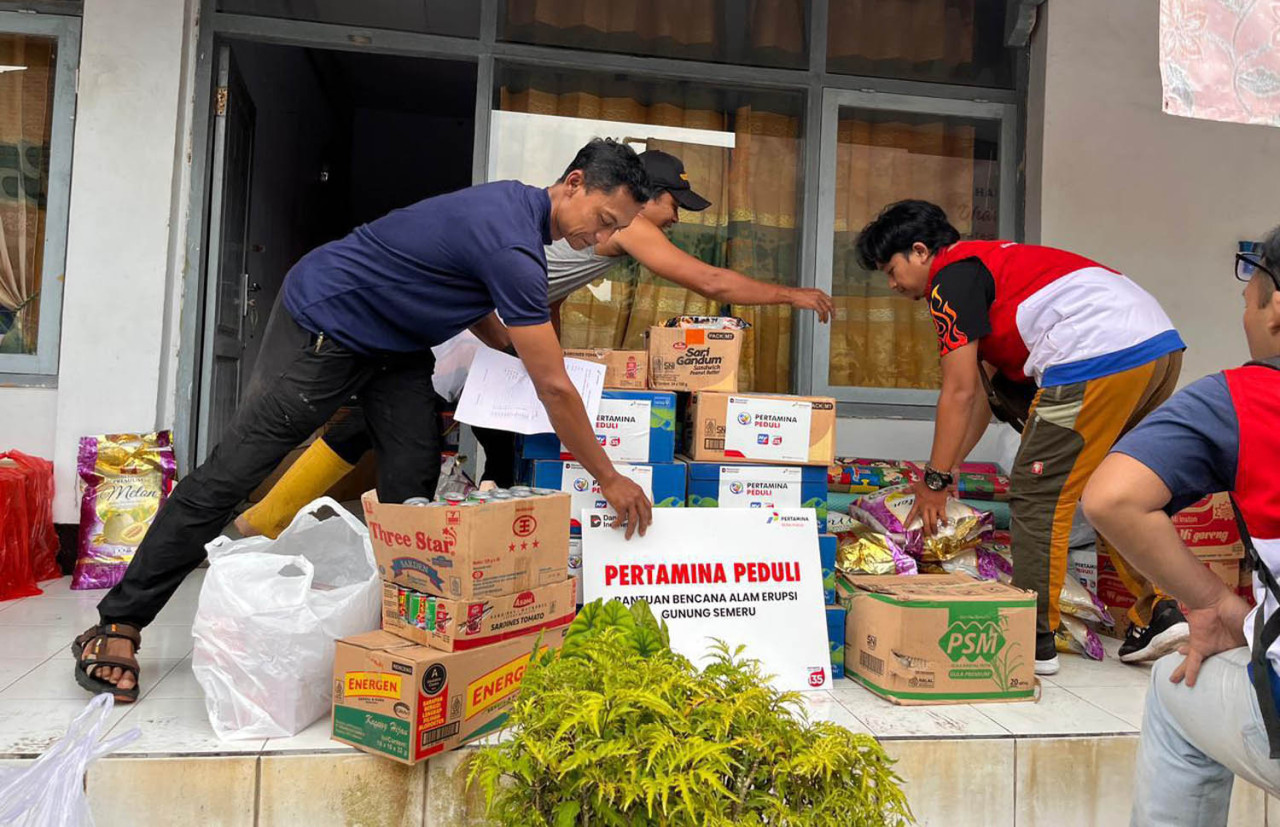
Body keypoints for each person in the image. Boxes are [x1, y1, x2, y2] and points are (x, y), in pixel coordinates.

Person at [71, 139, 656, 702]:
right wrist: (608, 477)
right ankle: (119, 621)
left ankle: (405, 629)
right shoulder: (513, 241)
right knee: (235, 472)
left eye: (614, 231)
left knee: (412, 482)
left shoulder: (516, 213)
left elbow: (475, 294)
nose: (600, 239)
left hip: (396, 345)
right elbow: (553, 383)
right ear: (573, 183)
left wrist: (510, 355)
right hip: (330, 323)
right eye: (603, 220)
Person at [234, 149, 835, 539]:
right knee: (392, 428)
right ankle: (277, 521)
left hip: (495, 331)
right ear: (638, 197)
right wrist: (793, 296)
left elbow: (543, 298)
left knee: (470, 445)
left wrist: (552, 348)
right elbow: (708, 281)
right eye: (676, 204)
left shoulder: (597, 229)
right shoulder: (632, 229)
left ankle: (286, 521)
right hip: (469, 330)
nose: (678, 218)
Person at [855, 199, 1189, 675]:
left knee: (1035, 494)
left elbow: (958, 391)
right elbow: (980, 398)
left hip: (1096, 353)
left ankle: (1032, 636)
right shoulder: (996, 270)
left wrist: (931, 481)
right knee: (1111, 491)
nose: (892, 285)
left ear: (921, 251)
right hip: (1156, 347)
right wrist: (945, 473)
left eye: (891, 270)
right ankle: (1162, 610)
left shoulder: (950, 279)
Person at [1082, 229, 1280, 826]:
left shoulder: (1245, 400)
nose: (1243, 303)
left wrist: (1216, 602)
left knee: (1178, 689)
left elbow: (1113, 499)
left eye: (1251, 287)